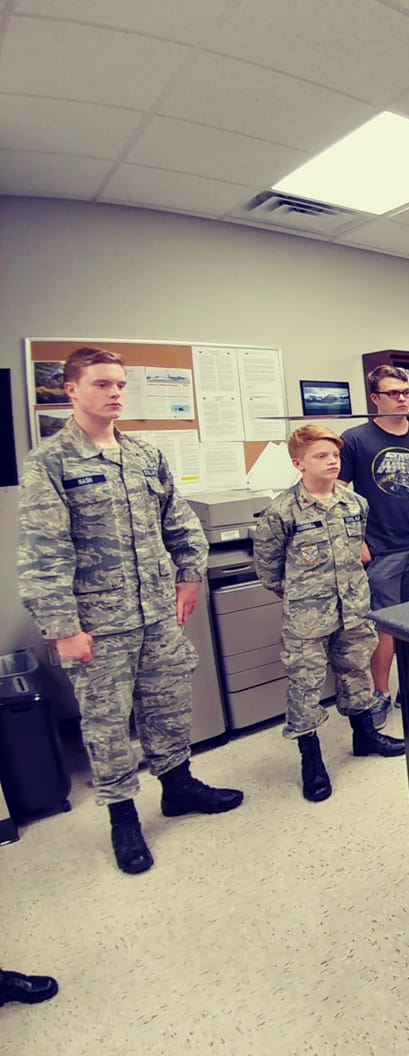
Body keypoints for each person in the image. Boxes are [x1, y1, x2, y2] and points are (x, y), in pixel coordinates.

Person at [18, 346, 243, 875]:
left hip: (157, 613)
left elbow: (179, 520)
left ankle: (178, 786)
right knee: (106, 724)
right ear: (71, 389)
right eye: (102, 384)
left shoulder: (142, 454)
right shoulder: (50, 463)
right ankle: (123, 818)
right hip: (97, 624)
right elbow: (44, 553)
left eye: (120, 384)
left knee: (168, 703)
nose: (115, 392)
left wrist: (190, 575)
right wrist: (64, 628)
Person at [253, 425, 403, 801]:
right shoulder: (281, 511)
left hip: (353, 609)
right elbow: (268, 568)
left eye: (334, 455)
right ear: (298, 463)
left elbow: (356, 552)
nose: (332, 461)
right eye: (321, 456)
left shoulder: (354, 504)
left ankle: (364, 735)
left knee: (355, 674)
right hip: (307, 617)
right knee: (305, 686)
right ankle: (311, 759)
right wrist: (302, 598)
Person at [340, 365, 409, 725]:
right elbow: (338, 494)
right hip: (382, 548)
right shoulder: (356, 439)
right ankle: (380, 694)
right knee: (386, 626)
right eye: (394, 393)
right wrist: (355, 540)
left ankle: (408, 687)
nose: (403, 398)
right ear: (376, 398)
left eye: (406, 393)